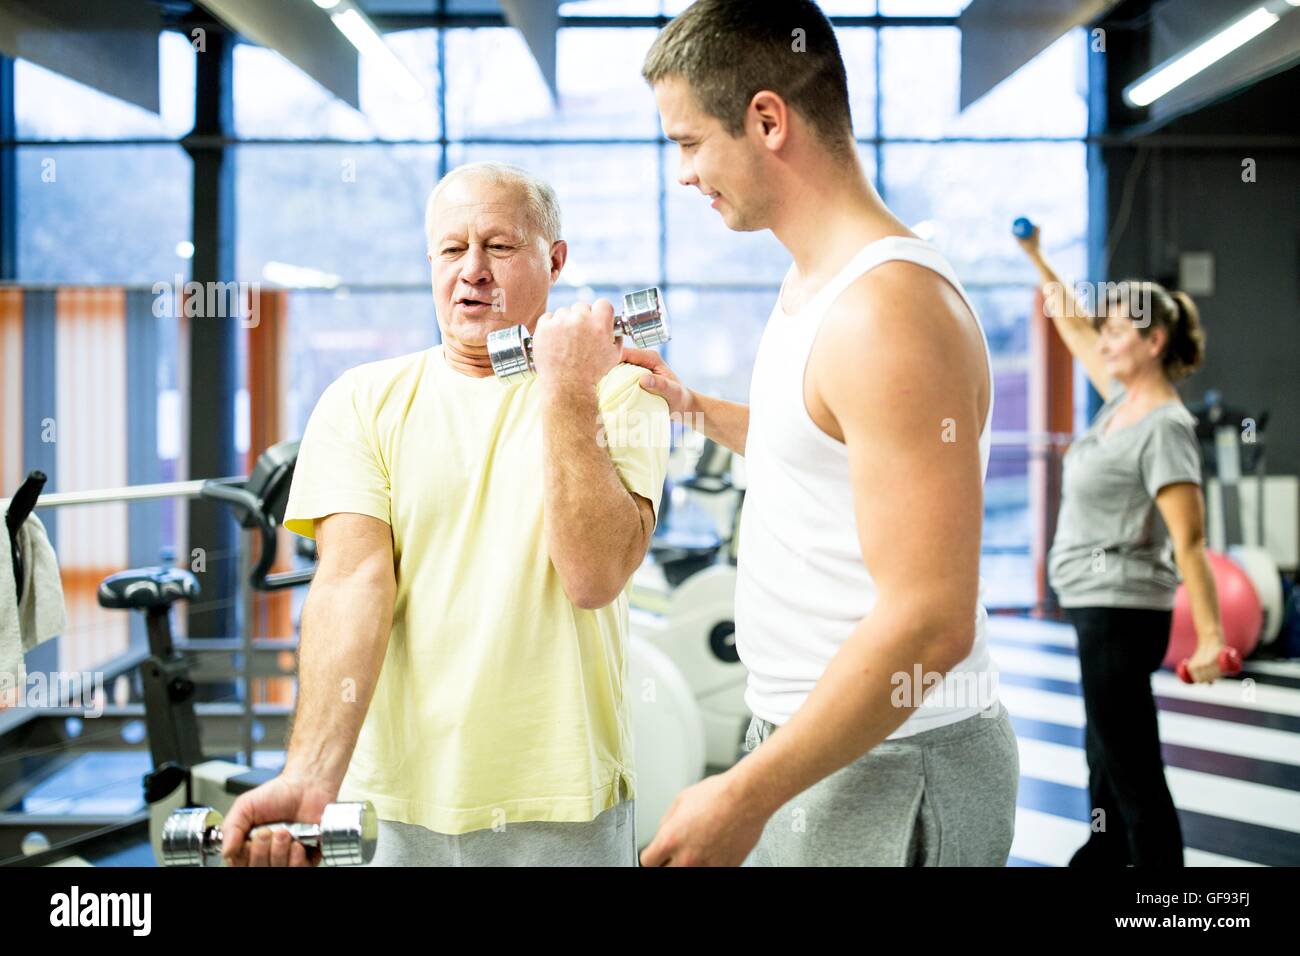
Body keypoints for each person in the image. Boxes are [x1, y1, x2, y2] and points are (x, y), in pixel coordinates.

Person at [629, 0, 1019, 867]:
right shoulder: (818, 282)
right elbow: (819, 442)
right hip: (821, 737)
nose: (684, 174)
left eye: (689, 143)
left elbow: (930, 622)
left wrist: (744, 790)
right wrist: (687, 405)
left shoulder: (887, 312)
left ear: (767, 119)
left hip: (894, 754)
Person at [220, 162, 669, 867]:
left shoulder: (620, 392)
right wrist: (310, 776)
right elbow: (351, 584)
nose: (473, 271)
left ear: (554, 261)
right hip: (393, 802)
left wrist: (566, 387)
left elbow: (592, 575)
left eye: (499, 246)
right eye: (452, 250)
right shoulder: (362, 398)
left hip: (562, 801)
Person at [1017, 222, 1225, 867]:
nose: (1103, 340)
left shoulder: (1163, 425)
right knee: (1103, 749)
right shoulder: (1120, 405)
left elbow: (1190, 541)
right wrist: (1036, 258)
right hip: (1096, 604)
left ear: (1153, 340)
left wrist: (1214, 638)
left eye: (1118, 332)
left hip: (1123, 607)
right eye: (1103, 331)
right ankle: (1102, 855)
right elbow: (1073, 326)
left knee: (1130, 763)